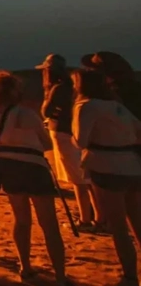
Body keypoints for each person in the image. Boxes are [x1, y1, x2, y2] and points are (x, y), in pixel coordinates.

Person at [0, 70, 67, 284]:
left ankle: (25, 266)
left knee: (21, 220)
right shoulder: (27, 114)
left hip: (8, 168)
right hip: (33, 168)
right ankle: (59, 275)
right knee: (49, 223)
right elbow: (46, 143)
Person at [73, 67, 141, 286]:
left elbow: (80, 141)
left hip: (106, 167)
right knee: (137, 222)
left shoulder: (86, 106)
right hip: (131, 166)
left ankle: (130, 276)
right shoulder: (117, 106)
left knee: (119, 226)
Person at [38, 53, 99, 231]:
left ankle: (86, 220)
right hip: (76, 133)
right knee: (85, 177)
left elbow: (46, 111)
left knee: (78, 179)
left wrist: (48, 100)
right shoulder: (74, 86)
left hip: (64, 134)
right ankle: (99, 217)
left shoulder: (58, 88)